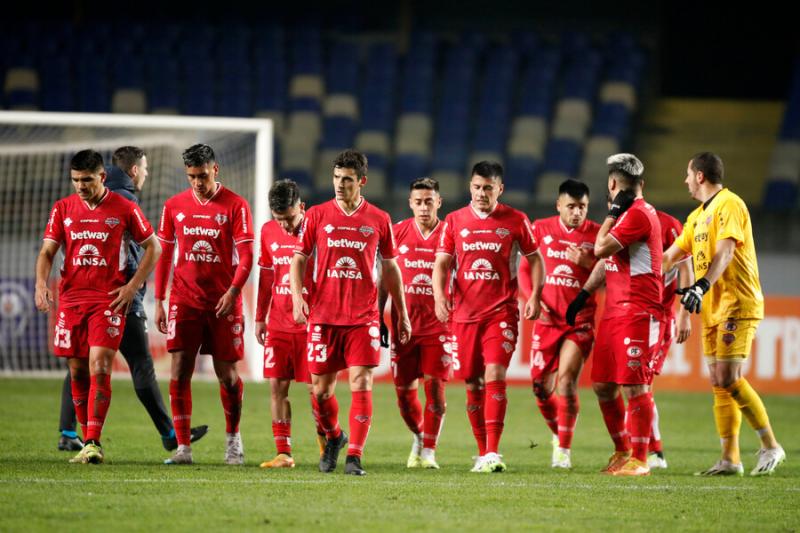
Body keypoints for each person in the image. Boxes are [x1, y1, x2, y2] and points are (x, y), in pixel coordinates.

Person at [56, 146, 207, 452]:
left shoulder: (91, 197)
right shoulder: (124, 200)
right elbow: (143, 250)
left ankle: (68, 431)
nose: (147, 174)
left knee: (81, 362)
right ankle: (169, 434)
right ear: (135, 170)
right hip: (119, 297)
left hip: (89, 295)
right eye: (146, 169)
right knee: (140, 364)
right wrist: (132, 288)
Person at [663, 151, 785, 476]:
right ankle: (730, 459)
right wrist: (626, 273)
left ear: (700, 176)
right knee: (719, 382)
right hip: (712, 306)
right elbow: (669, 258)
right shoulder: (695, 218)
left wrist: (700, 286)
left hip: (737, 302)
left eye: (688, 174)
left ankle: (771, 445)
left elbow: (727, 251)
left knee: (729, 377)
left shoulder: (730, 204)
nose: (685, 181)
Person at [35, 149, 161, 464]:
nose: (81, 186)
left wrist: (132, 287)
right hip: (71, 300)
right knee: (77, 369)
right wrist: (40, 284)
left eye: (87, 180)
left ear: (102, 177)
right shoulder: (63, 208)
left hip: (108, 300)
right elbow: (48, 251)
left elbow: (154, 247)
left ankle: (93, 441)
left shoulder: (125, 207)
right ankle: (84, 440)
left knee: (100, 365)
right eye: (76, 180)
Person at [291, 149, 411, 476]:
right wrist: (297, 297)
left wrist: (401, 312)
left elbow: (391, 269)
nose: (340, 185)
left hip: (363, 316)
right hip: (323, 314)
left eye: (347, 179)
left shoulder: (379, 219)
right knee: (321, 392)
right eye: (336, 178)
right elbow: (299, 258)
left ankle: (354, 456)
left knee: (361, 380)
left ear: (362, 182)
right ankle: (334, 437)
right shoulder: (317, 215)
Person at [433, 161, 544, 473]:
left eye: (488, 188)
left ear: (500, 189)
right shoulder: (454, 221)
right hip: (464, 314)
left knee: (495, 372)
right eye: (477, 187)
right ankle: (483, 452)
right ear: (470, 187)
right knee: (472, 379)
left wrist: (535, 295)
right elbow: (441, 264)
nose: (482, 193)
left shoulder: (516, 220)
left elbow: (536, 259)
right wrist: (440, 296)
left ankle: (493, 452)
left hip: (501, 311)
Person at [154, 144, 254, 465]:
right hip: (184, 300)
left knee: (228, 376)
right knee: (179, 371)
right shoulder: (174, 206)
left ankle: (233, 440)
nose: (197, 182)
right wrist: (159, 300)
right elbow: (164, 254)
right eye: (192, 176)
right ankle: (183, 448)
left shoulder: (236, 205)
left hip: (223, 302)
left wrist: (234, 291)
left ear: (215, 170)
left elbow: (247, 256)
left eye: (203, 175)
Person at [518, 179, 600, 469]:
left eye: (582, 207)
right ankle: (559, 432)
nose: (577, 213)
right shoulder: (540, 228)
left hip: (579, 322)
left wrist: (589, 263)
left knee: (566, 382)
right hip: (547, 320)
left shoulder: (598, 235)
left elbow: (614, 276)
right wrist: (532, 298)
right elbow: (524, 268)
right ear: (558, 206)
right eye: (571, 207)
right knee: (540, 388)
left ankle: (563, 451)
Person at [590, 153, 662, 477]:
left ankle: (641, 459)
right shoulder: (629, 214)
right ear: (641, 183)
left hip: (637, 310)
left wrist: (612, 213)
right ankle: (622, 450)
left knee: (635, 387)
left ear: (612, 184)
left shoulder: (637, 214)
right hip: (615, 310)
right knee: (603, 384)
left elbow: (599, 248)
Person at [378, 177, 451, 470]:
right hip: (404, 326)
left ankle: (429, 452)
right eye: (418, 202)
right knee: (405, 400)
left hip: (439, 326)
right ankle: (420, 437)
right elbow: (386, 277)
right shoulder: (396, 233)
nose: (423, 207)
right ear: (410, 203)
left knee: (436, 392)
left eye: (429, 202)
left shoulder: (450, 234)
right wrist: (378, 314)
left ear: (439, 202)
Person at [255, 179, 326, 469]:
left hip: (313, 324)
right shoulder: (267, 231)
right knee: (277, 387)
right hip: (278, 323)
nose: (285, 226)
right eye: (279, 219)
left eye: (290, 218)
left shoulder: (319, 231)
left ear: (302, 207)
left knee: (317, 390)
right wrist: (260, 317)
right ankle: (284, 453)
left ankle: (326, 448)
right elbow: (266, 276)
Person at [646, 209, 693, 469]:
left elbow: (685, 267)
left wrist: (684, 314)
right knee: (626, 386)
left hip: (657, 318)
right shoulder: (616, 226)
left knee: (641, 386)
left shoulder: (668, 225)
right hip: (627, 317)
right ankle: (640, 448)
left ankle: (654, 452)